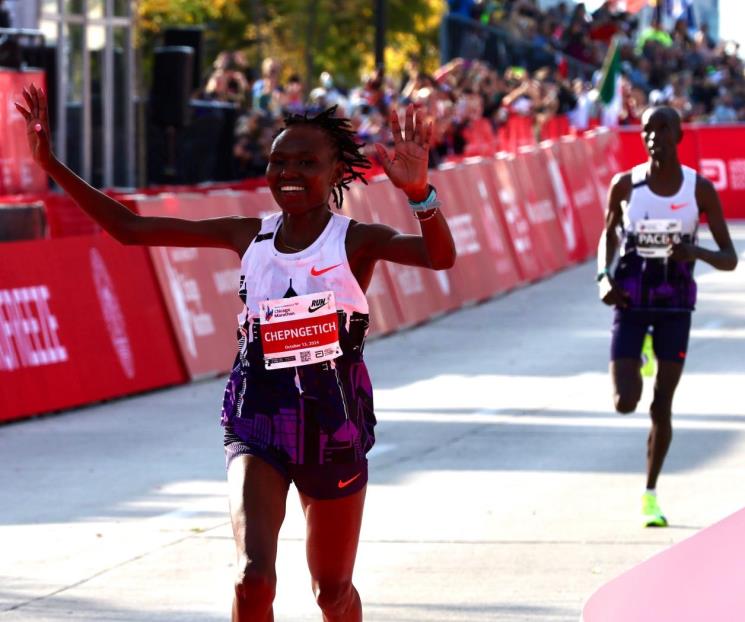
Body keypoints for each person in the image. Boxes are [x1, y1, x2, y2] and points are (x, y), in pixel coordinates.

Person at [15, 83, 456, 620]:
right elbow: (130, 230)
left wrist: (420, 197)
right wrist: (52, 165)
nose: (288, 172)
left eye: (306, 162)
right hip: (257, 419)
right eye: (278, 161)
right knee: (253, 578)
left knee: (332, 592)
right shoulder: (248, 235)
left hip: (332, 426)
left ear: (338, 169)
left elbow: (439, 259)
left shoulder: (356, 240)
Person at [597, 106, 737, 527]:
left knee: (661, 405)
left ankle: (650, 493)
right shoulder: (625, 186)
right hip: (631, 301)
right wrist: (604, 278)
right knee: (625, 402)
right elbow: (608, 235)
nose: (655, 135)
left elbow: (730, 258)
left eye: (664, 128)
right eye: (647, 130)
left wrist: (693, 251)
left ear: (679, 135)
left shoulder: (700, 189)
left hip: (675, 304)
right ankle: (639, 352)